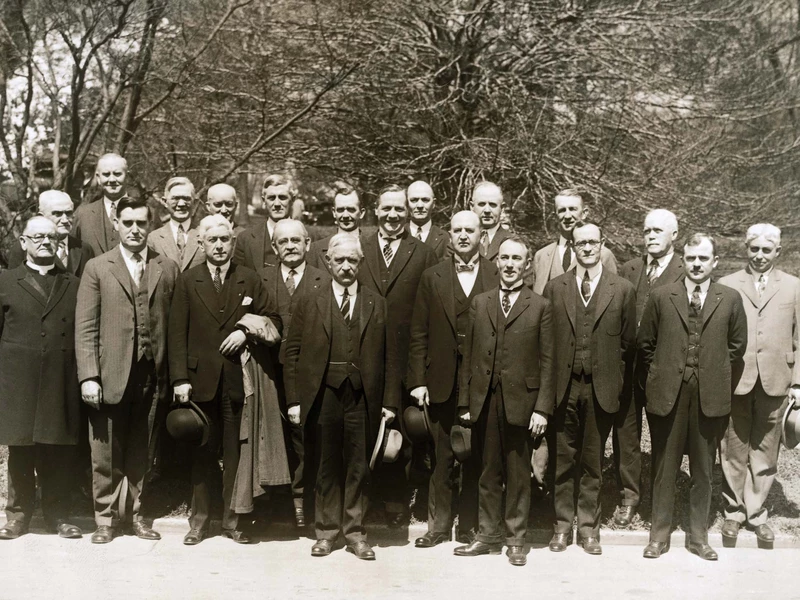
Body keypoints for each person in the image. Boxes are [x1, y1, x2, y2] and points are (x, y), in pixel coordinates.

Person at [283, 233, 400, 560]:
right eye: (340, 260)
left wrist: (390, 403)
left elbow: (391, 357)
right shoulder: (309, 300)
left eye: (352, 260)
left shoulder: (376, 302)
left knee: (358, 465)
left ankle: (356, 533)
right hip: (322, 395)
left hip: (362, 397)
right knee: (325, 464)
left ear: (360, 264)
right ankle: (326, 531)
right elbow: (291, 353)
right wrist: (294, 400)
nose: (346, 266)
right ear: (328, 262)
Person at [75, 197, 179, 544]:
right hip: (109, 374)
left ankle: (137, 514)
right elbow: (86, 327)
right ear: (117, 224)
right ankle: (104, 518)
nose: (135, 229)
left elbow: (175, 326)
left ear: (150, 226)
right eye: (128, 222)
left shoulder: (165, 266)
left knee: (143, 448)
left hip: (152, 373)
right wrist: (89, 375)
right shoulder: (98, 267)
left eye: (142, 223)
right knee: (105, 451)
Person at [169, 214, 276, 545]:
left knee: (235, 453)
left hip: (235, 381)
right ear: (201, 243)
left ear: (233, 242)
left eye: (224, 239)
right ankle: (199, 521)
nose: (219, 245)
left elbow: (273, 318)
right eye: (212, 240)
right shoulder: (189, 280)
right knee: (202, 452)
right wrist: (179, 379)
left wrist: (246, 330)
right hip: (199, 380)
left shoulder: (249, 278)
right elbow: (176, 333)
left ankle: (233, 521)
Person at [639, 233, 747, 560]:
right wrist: (665, 373)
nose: (697, 264)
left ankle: (698, 537)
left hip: (708, 396)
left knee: (703, 471)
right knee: (664, 467)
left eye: (704, 258)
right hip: (668, 395)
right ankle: (659, 535)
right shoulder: (661, 296)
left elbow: (736, 346)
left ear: (715, 262)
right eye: (691, 258)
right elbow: (646, 345)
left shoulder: (729, 298)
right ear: (682, 260)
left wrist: (711, 372)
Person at [454, 237, 555, 567]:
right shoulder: (480, 303)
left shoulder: (540, 306)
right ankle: (487, 535)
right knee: (487, 471)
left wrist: (542, 408)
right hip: (485, 400)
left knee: (517, 473)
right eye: (505, 258)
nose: (510, 264)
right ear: (496, 263)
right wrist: (466, 402)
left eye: (517, 259)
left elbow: (548, 361)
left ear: (527, 265)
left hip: (522, 403)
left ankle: (515, 539)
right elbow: (467, 357)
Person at [543, 222, 636, 556]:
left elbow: (628, 345)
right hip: (563, 389)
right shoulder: (555, 288)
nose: (586, 248)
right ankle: (561, 527)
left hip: (601, 388)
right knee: (563, 459)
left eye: (592, 242)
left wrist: (615, 381)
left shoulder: (622, 289)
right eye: (579, 242)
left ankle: (588, 528)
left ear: (602, 244)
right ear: (573, 245)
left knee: (592, 461)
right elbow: (546, 341)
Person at [407, 211, 499, 548]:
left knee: (475, 454)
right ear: (449, 236)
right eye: (457, 230)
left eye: (469, 230)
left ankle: (471, 526)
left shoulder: (496, 273)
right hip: (440, 380)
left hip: (482, 381)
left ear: (481, 235)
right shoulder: (432, 277)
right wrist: (418, 380)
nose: (463, 236)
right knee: (441, 454)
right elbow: (418, 332)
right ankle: (439, 526)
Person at [0, 217, 83, 540]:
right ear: (23, 242)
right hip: (17, 380)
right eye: (38, 237)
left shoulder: (74, 283)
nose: (45, 242)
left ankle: (59, 515)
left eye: (51, 237)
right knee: (20, 449)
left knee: (57, 450)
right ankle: (18, 516)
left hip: (60, 378)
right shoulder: (6, 281)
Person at [358, 184, 437, 527]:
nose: (393, 216)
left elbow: (429, 314)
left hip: (404, 359)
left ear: (408, 214)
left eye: (399, 210)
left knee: (400, 433)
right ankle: (365, 500)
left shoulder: (421, 253)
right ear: (376, 211)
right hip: (363, 356)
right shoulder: (359, 248)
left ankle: (396, 502)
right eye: (386, 209)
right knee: (363, 428)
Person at [718, 224, 800, 548]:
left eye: (767, 250)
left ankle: (756, 515)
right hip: (737, 378)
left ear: (778, 252)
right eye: (755, 249)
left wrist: (799, 383)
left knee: (766, 450)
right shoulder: (726, 284)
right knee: (733, 448)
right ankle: (732, 513)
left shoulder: (794, 287)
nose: (760, 255)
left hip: (777, 380)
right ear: (746, 249)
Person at [259, 218, 330, 528]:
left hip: (307, 374)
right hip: (269, 372)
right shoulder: (261, 279)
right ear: (275, 247)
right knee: (276, 437)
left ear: (307, 244)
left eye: (296, 240)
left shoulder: (323, 280)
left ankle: (305, 501)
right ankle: (277, 502)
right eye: (283, 241)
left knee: (306, 437)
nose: (290, 246)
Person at [614, 209, 683, 527]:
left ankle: (660, 498)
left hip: (663, 366)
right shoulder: (629, 269)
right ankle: (629, 496)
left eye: (658, 230)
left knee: (662, 432)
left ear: (674, 235)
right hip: (628, 367)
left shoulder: (686, 270)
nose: (651, 236)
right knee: (626, 433)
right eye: (646, 231)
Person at [532, 189, 617, 295]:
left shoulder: (603, 254)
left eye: (573, 209)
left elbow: (612, 298)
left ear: (584, 213)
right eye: (562, 210)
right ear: (555, 216)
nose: (567, 216)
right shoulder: (542, 256)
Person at [7, 190, 94, 276]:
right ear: (42, 216)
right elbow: (15, 284)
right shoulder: (24, 248)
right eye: (57, 214)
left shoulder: (84, 248)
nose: (65, 220)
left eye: (68, 213)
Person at [234, 173, 294, 270]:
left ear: (292, 199)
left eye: (282, 197)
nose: (277, 204)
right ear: (264, 201)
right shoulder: (245, 239)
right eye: (271, 198)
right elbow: (238, 281)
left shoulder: (311, 238)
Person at [73, 153, 127, 256]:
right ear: (98, 178)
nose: (112, 180)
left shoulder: (146, 211)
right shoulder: (83, 214)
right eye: (106, 174)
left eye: (117, 174)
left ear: (126, 175)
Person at [148, 177, 205, 271]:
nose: (181, 204)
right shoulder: (153, 239)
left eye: (186, 198)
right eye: (175, 198)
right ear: (165, 202)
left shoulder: (205, 235)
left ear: (194, 202)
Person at [307, 181, 365, 271]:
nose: (345, 215)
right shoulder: (315, 250)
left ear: (361, 213)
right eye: (340, 210)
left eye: (351, 209)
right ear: (334, 213)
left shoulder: (373, 247)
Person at [407, 180, 449, 261]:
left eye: (425, 200)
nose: (420, 205)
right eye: (414, 200)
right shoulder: (398, 235)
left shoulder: (445, 238)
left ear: (434, 203)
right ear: (406, 203)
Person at [470, 182, 512, 262]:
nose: (487, 210)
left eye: (492, 205)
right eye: (482, 204)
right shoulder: (458, 242)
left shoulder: (513, 242)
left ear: (502, 208)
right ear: (472, 207)